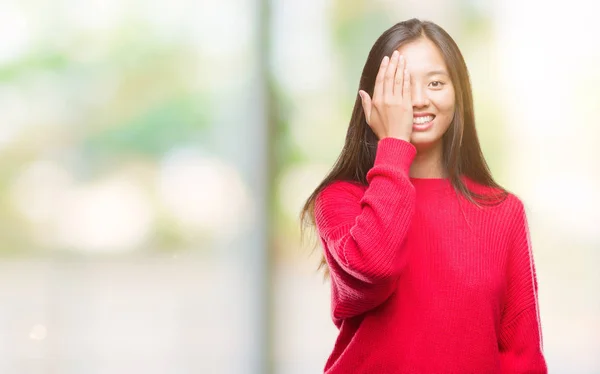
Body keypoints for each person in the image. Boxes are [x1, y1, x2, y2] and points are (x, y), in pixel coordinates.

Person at [299, 18, 548, 373]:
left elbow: (522, 356)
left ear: (458, 93)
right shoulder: (340, 200)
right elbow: (374, 268)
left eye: (435, 83)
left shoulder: (503, 211)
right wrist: (394, 144)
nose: (417, 100)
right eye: (399, 87)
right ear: (372, 100)